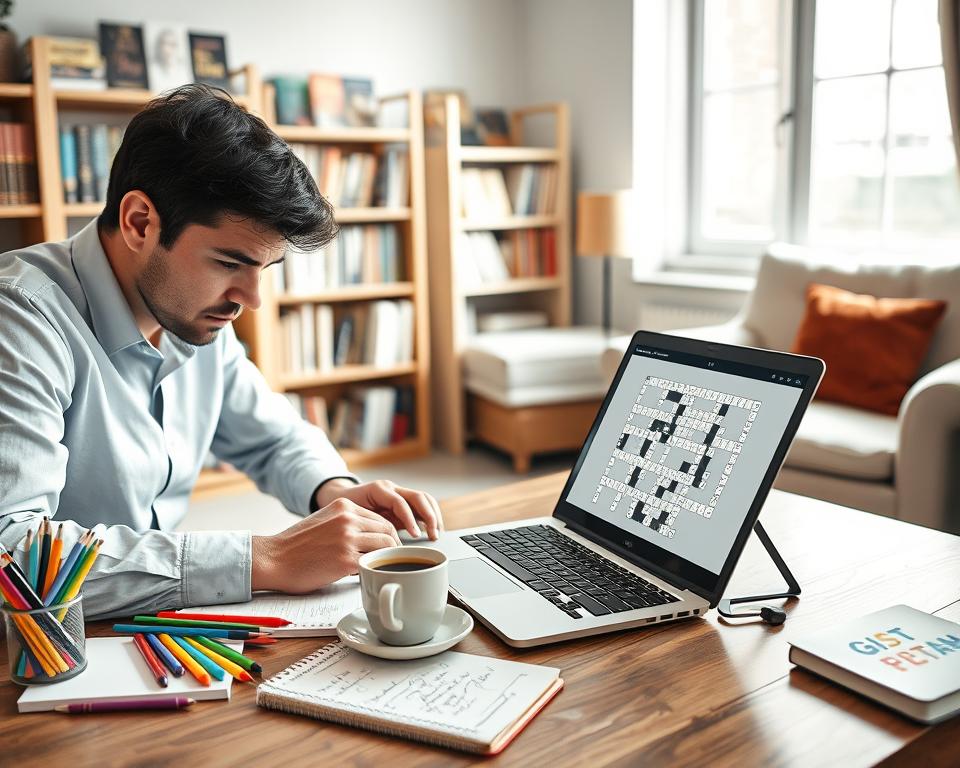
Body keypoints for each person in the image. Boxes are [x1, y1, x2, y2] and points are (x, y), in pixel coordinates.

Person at [0, 85, 442, 619]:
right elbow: (13, 557)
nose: (251, 300)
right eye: (229, 263)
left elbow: (275, 439)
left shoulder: (193, 313)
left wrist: (338, 492)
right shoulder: (21, 318)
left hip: (142, 619)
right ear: (141, 222)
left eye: (264, 270)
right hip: (41, 650)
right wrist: (269, 557)